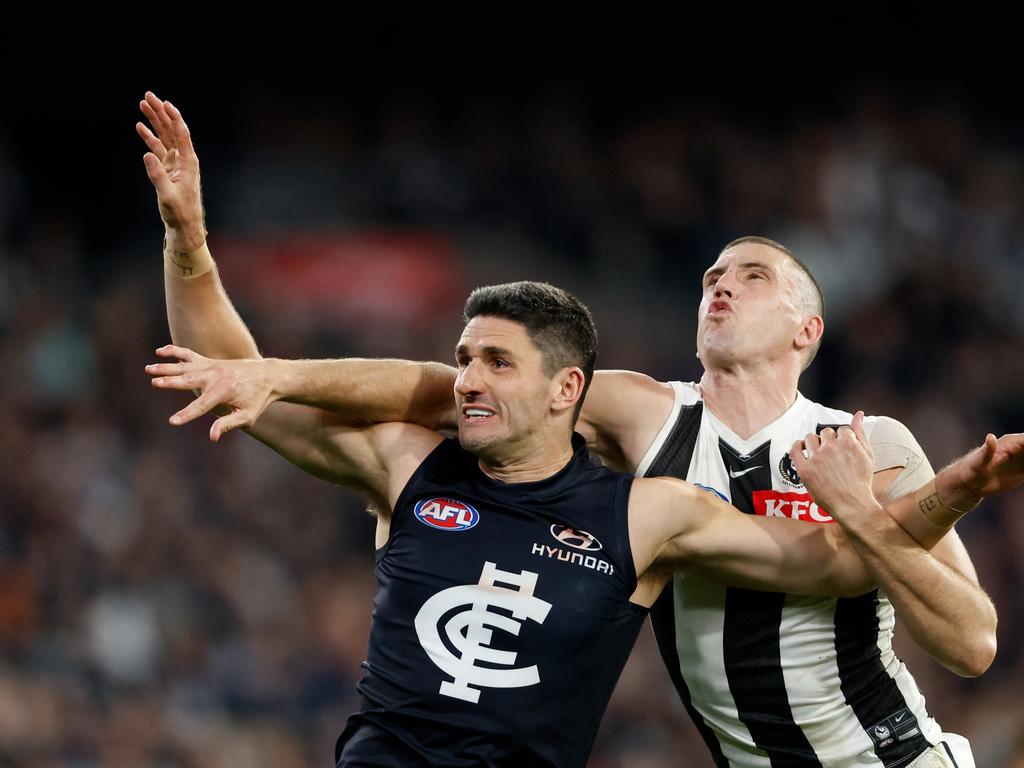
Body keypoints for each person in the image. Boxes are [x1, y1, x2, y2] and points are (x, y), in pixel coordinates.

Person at [137, 92, 1024, 768]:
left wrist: (908, 498)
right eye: (712, 272)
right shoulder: (641, 415)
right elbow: (432, 390)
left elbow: (968, 641)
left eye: (751, 275)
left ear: (807, 330)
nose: (719, 284)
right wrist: (222, 294)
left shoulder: (865, 445)